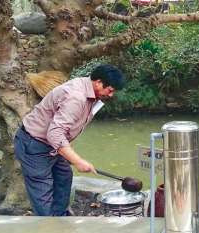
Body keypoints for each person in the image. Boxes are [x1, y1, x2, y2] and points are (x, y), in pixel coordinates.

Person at [14, 64, 125, 216]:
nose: (111, 95)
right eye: (110, 90)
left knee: (63, 176)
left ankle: (60, 218)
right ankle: (47, 228)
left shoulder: (89, 90)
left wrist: (68, 153)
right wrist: (78, 160)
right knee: (43, 192)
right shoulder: (75, 97)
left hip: (52, 146)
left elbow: (66, 128)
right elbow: (55, 134)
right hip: (34, 145)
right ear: (99, 82)